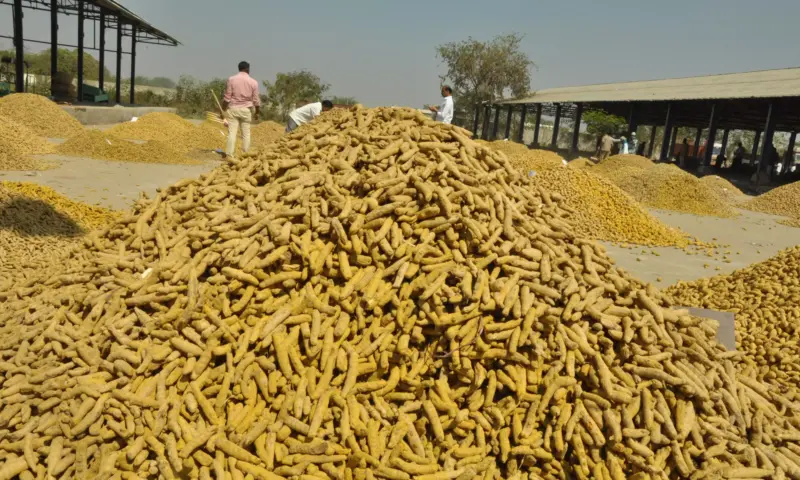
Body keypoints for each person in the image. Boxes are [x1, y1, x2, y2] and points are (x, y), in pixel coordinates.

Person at [222, 61, 261, 158]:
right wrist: (257, 112)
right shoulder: (253, 82)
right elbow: (256, 100)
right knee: (246, 134)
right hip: (246, 110)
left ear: (239, 68)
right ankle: (245, 155)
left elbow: (227, 97)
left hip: (233, 109)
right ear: (248, 69)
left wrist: (222, 110)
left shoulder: (231, 79)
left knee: (232, 133)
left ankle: (229, 155)